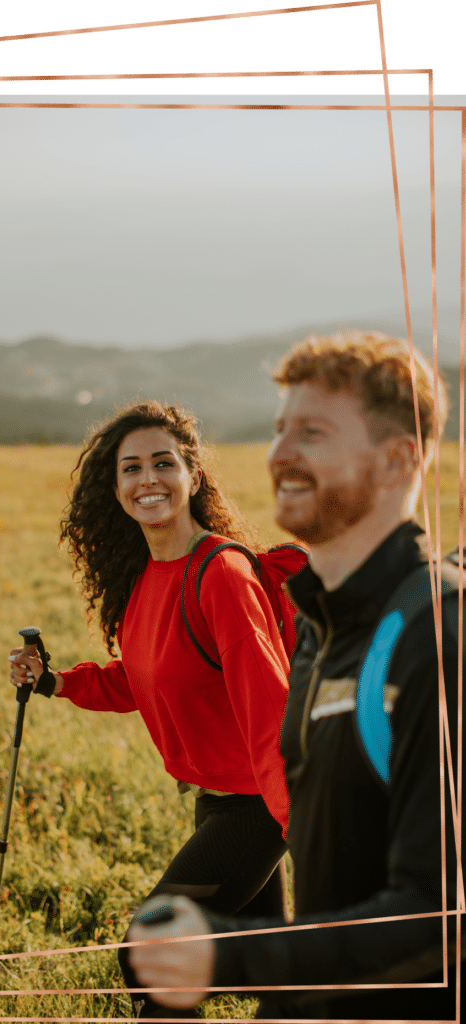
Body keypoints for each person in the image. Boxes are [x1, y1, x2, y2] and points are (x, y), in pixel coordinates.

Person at [128, 332, 464, 1020]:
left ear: (400, 459)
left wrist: (224, 956)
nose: (280, 453)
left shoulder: (437, 635)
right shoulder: (318, 631)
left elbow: (439, 920)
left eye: (312, 433)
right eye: (281, 430)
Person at [9, 400, 293, 1019]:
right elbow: (144, 681)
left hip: (259, 805)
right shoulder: (146, 580)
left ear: (193, 475)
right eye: (131, 469)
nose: (148, 480)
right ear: (114, 489)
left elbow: (272, 711)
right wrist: (55, 681)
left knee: (150, 952)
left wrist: (309, 829)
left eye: (163, 463)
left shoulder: (221, 574)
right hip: (217, 798)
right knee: (274, 971)